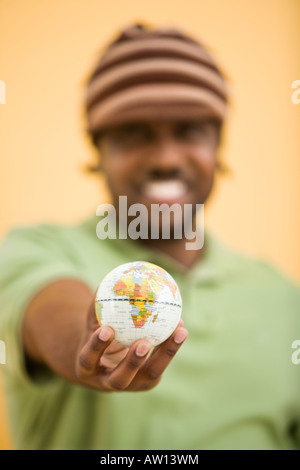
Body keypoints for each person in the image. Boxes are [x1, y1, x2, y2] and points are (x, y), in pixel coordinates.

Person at [0, 23, 299, 451]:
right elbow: (51, 311)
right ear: (97, 155)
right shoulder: (35, 248)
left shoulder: (285, 301)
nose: (164, 158)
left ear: (219, 147)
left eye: (190, 130)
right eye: (133, 134)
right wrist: (85, 348)